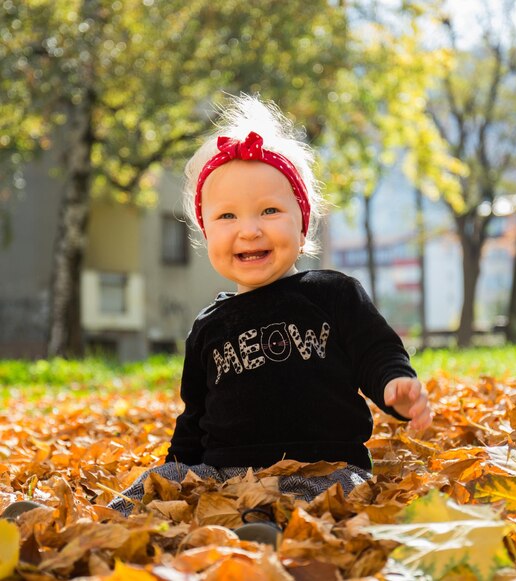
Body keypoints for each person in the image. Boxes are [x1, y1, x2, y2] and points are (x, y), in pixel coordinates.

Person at [4, 95, 432, 544]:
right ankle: (76, 528)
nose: (249, 229)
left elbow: (375, 350)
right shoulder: (210, 325)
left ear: (302, 224)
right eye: (227, 216)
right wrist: (176, 472)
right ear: (207, 232)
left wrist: (394, 385)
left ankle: (260, 538)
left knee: (323, 502)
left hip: (320, 465)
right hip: (221, 472)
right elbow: (196, 418)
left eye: (269, 211)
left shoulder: (331, 293)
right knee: (159, 481)